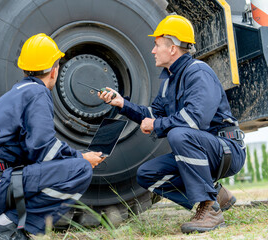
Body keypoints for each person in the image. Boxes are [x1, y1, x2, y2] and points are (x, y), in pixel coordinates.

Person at [98, 15, 246, 233]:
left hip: (226, 149)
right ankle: (214, 195)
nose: (153, 50)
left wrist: (156, 125)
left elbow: (195, 120)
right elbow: (152, 114)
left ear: (173, 48)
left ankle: (209, 209)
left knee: (178, 134)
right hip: (204, 148)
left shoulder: (198, 72)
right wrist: (122, 103)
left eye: (157, 45)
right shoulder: (169, 80)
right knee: (147, 174)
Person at [0, 33, 105, 239]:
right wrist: (81, 158)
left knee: (72, 164)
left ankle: (8, 227)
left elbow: (34, 150)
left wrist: (75, 155)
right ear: (54, 71)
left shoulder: (19, 92)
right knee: (80, 170)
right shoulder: (37, 94)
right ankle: (5, 227)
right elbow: (44, 151)